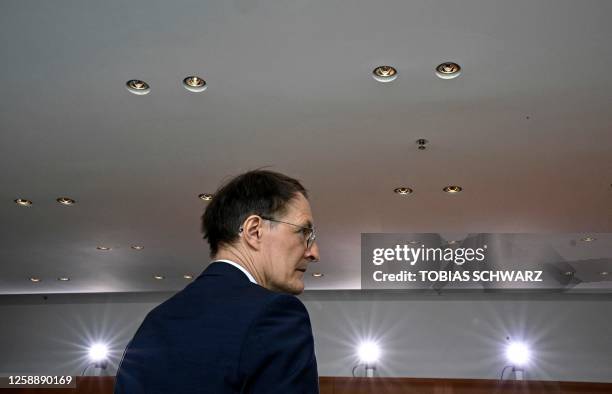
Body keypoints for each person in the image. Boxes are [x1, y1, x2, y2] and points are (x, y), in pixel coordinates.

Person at [114, 170, 321, 394]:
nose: (314, 253)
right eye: (304, 232)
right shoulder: (275, 314)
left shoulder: (156, 320)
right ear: (254, 231)